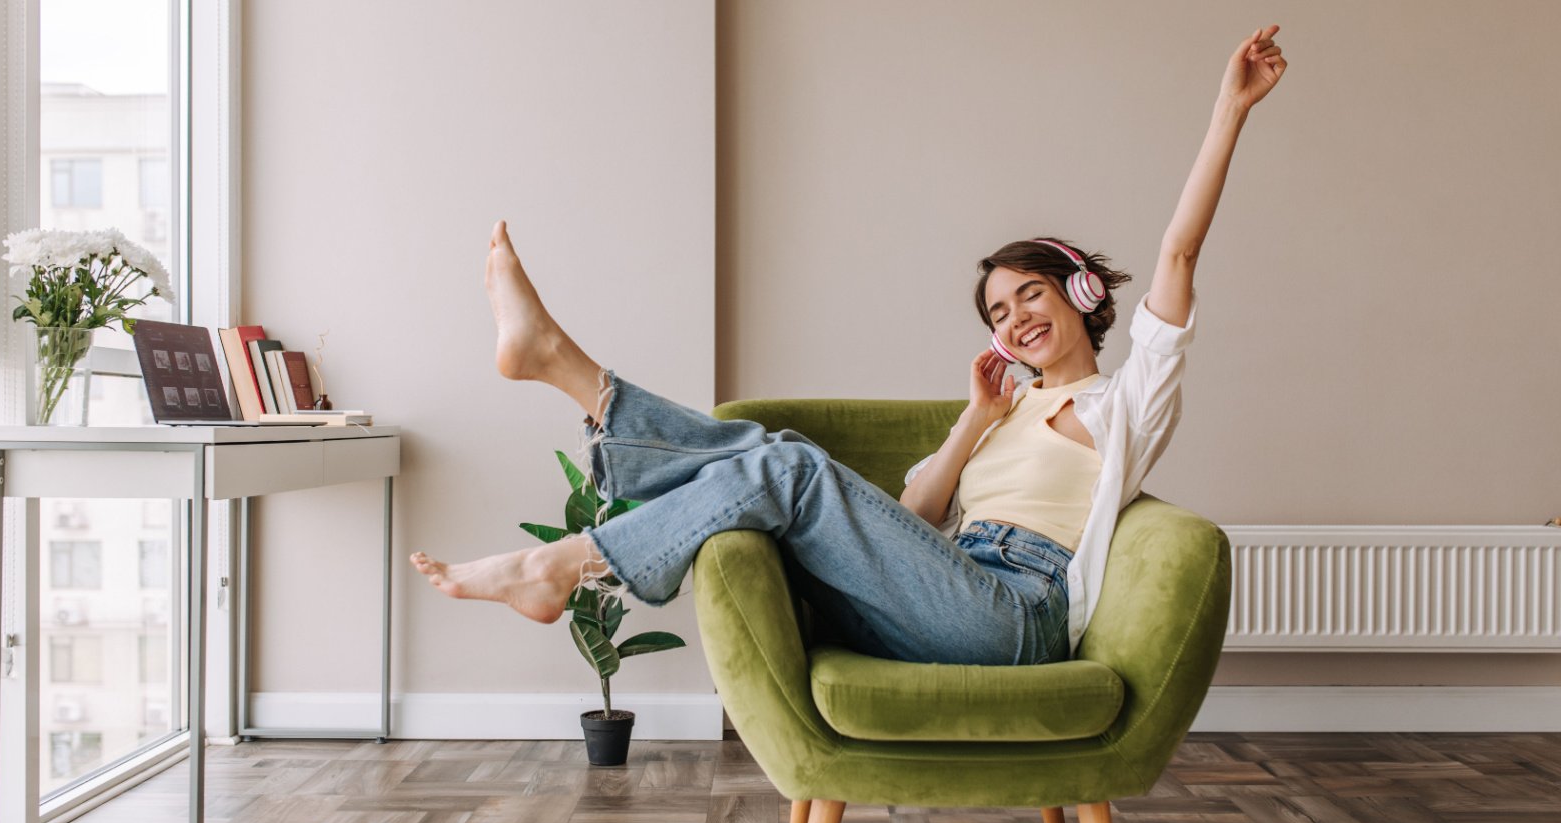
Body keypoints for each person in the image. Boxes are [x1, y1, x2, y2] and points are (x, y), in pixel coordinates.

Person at [411, 25, 1287, 665]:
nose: (1015, 317)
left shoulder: (1125, 402)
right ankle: (569, 384)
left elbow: (1178, 252)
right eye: (997, 310)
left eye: (1032, 293)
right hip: (938, 592)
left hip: (1016, 618)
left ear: (1082, 296)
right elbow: (906, 528)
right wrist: (973, 422)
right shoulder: (1007, 407)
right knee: (786, 460)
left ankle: (563, 522)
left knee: (789, 466)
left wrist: (1229, 109)